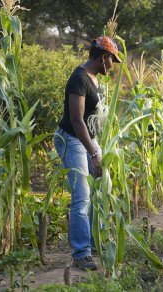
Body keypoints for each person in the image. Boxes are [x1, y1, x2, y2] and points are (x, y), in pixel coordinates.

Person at [54, 36, 121, 271]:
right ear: (104, 58)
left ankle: (92, 242)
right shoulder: (79, 79)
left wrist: (96, 144)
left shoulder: (93, 78)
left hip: (88, 141)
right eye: (112, 60)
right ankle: (81, 253)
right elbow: (76, 120)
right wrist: (93, 152)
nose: (112, 66)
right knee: (81, 196)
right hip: (72, 140)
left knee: (97, 191)